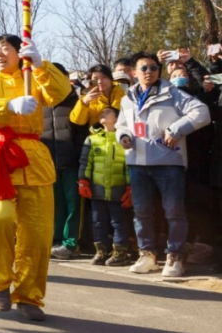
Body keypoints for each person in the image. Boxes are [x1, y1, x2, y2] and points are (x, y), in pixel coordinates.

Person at [0, 35, 71, 321]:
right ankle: (0, 283)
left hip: (35, 160)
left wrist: (41, 65)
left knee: (38, 235)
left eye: (5, 49)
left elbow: (60, 94)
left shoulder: (33, 76)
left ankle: (29, 296)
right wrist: (10, 105)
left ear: (19, 53)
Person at [116, 51, 210, 278]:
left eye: (153, 68)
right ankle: (147, 254)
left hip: (169, 161)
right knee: (141, 212)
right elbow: (121, 124)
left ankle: (175, 256)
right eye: (144, 68)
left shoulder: (172, 93)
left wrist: (176, 129)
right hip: (138, 162)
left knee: (174, 212)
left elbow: (202, 112)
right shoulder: (127, 98)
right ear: (134, 72)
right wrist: (124, 136)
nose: (149, 72)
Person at [41, 63, 89, 260]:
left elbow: (81, 134)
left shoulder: (76, 102)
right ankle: (55, 240)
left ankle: (71, 243)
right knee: (54, 204)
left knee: (73, 205)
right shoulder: (39, 102)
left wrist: (80, 162)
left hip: (72, 163)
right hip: (48, 164)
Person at [78, 107, 134, 267]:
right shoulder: (92, 139)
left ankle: (121, 252)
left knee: (119, 221)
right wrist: (83, 181)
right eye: (102, 112)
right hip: (97, 189)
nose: (103, 113)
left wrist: (130, 186)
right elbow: (85, 162)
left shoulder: (124, 139)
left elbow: (128, 165)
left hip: (118, 189)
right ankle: (101, 251)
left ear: (117, 118)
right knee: (98, 222)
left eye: (108, 112)